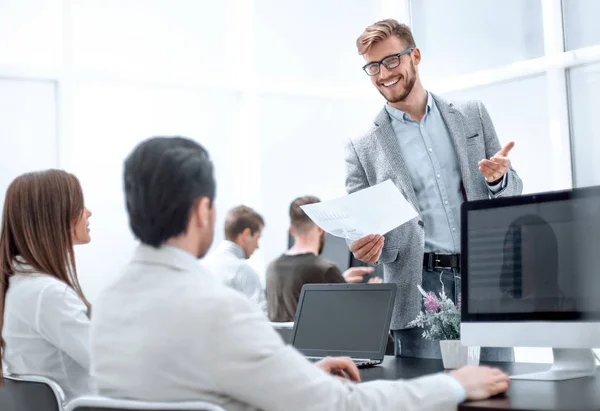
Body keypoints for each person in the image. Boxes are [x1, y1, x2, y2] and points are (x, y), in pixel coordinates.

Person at [90, 136, 509, 411]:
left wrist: (300, 373)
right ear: (203, 211)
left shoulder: (109, 304)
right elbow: (342, 406)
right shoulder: (217, 310)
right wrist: (455, 385)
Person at [345, 19, 523, 359]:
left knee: (500, 388)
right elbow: (357, 225)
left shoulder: (472, 116)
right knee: (429, 400)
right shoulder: (362, 146)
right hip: (417, 285)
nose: (383, 74)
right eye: (372, 67)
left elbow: (510, 195)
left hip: (483, 279)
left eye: (391, 60)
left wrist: (499, 179)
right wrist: (360, 244)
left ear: (415, 55)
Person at [0, 169, 93, 399]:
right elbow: (111, 365)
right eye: (80, 205)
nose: (88, 213)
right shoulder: (48, 294)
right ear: (56, 217)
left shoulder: (19, 284)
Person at [266, 195, 381, 322]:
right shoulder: (325, 270)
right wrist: (374, 294)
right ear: (320, 228)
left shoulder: (272, 268)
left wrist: (339, 281)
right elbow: (351, 319)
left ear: (291, 230)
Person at [203, 205, 266, 310]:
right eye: (257, 238)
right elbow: (262, 319)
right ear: (246, 234)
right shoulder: (242, 271)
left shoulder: (202, 266)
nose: (257, 246)